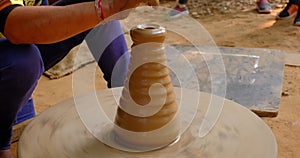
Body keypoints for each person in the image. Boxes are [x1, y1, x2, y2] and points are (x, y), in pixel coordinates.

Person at [0, 0, 159, 157]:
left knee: (93, 7)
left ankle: (131, 98)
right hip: (13, 60)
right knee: (23, 62)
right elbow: (16, 28)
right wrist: (109, 7)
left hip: (18, 57)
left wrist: (132, 99)